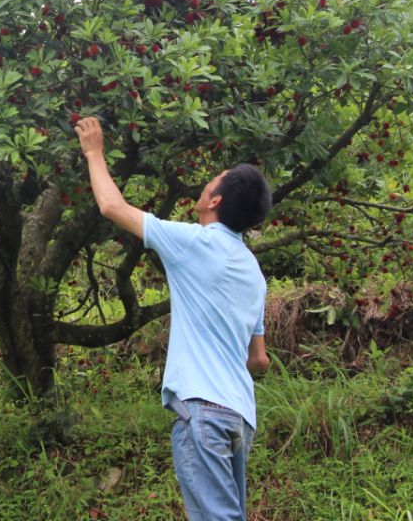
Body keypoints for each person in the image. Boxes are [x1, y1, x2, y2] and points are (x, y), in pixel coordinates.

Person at [75, 116, 271, 521]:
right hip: (240, 418)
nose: (205, 185)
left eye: (212, 181)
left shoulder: (194, 243)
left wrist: (94, 152)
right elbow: (259, 360)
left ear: (215, 200)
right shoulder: (253, 272)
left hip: (204, 412)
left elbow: (112, 206)